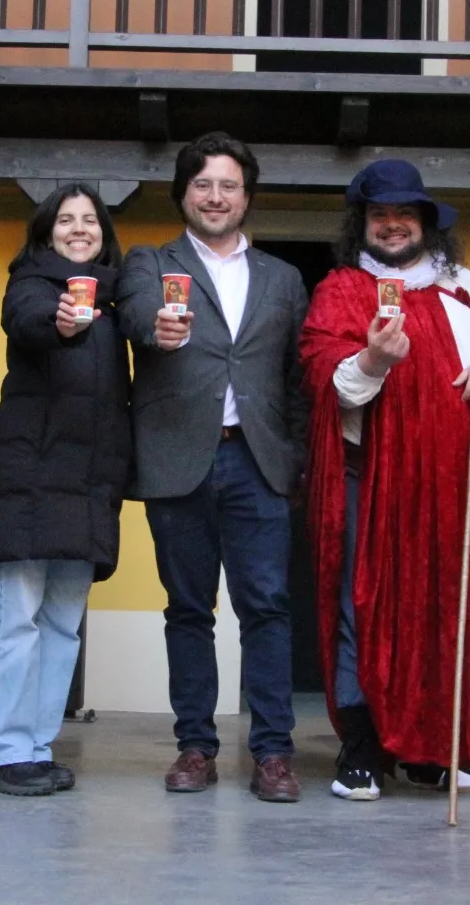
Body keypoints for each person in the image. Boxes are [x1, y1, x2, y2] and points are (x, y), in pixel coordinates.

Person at [301, 160, 470, 801]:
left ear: (426, 223)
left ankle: (436, 750)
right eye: (381, 214)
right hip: (367, 478)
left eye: (406, 214)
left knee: (444, 609)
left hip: (450, 479)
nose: (394, 224)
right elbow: (323, 371)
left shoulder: (466, 287)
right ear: (364, 224)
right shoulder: (342, 290)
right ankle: (363, 746)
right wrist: (373, 360)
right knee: (363, 606)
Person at [115, 131, 310, 802]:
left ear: (246, 196)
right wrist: (158, 328)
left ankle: (274, 753)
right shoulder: (149, 263)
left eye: (229, 185)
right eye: (204, 184)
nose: (217, 196)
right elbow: (140, 315)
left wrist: (293, 460)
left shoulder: (283, 279)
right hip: (179, 463)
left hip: (258, 464)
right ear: (184, 194)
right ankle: (195, 747)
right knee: (188, 611)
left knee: (268, 610)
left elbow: (295, 380)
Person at [0, 183, 131, 797]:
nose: (79, 229)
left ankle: (34, 747)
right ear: (45, 234)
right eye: (65, 220)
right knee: (17, 624)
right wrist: (62, 320)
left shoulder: (117, 303)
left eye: (89, 220)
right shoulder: (32, 286)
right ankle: (1, 750)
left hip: (89, 485)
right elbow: (30, 322)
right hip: (31, 481)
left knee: (63, 628)